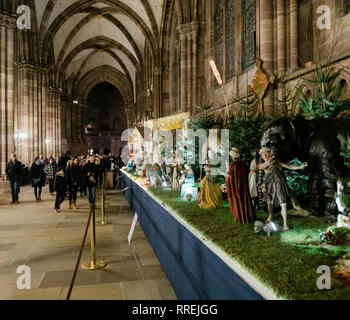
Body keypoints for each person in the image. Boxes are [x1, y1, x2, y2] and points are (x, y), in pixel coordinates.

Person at [258, 147, 308, 231]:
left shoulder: (277, 161)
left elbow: (288, 166)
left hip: (279, 185)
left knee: (283, 204)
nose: (264, 156)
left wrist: (300, 167)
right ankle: (270, 215)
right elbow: (262, 166)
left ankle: (285, 224)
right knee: (270, 203)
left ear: (270, 153)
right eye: (263, 155)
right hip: (270, 185)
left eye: (266, 154)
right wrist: (269, 161)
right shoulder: (262, 164)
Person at [225, 147, 256, 224]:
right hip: (244, 187)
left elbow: (229, 177)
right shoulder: (243, 164)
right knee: (245, 200)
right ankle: (248, 216)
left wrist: (227, 169)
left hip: (235, 188)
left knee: (237, 200)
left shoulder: (232, 165)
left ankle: (240, 217)